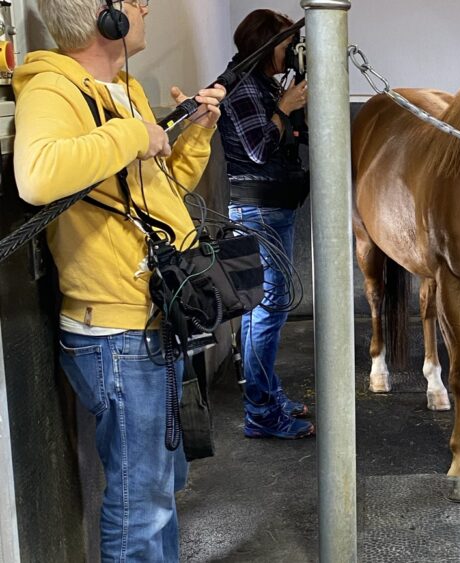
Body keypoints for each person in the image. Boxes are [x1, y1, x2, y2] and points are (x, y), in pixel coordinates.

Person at [13, 0, 226, 558]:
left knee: (160, 497)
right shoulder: (52, 88)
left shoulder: (123, 91)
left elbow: (160, 190)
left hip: (155, 317)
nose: (146, 8)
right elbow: (36, 176)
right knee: (141, 509)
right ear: (103, 16)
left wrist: (196, 132)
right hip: (118, 335)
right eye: (135, 2)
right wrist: (134, 135)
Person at [219, 9, 314, 439]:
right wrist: (285, 107)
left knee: (270, 307)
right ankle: (260, 411)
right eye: (284, 45)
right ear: (264, 46)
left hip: (273, 208)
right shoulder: (240, 87)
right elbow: (258, 149)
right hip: (258, 211)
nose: (290, 53)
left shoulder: (257, 83)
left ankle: (269, 396)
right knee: (266, 308)